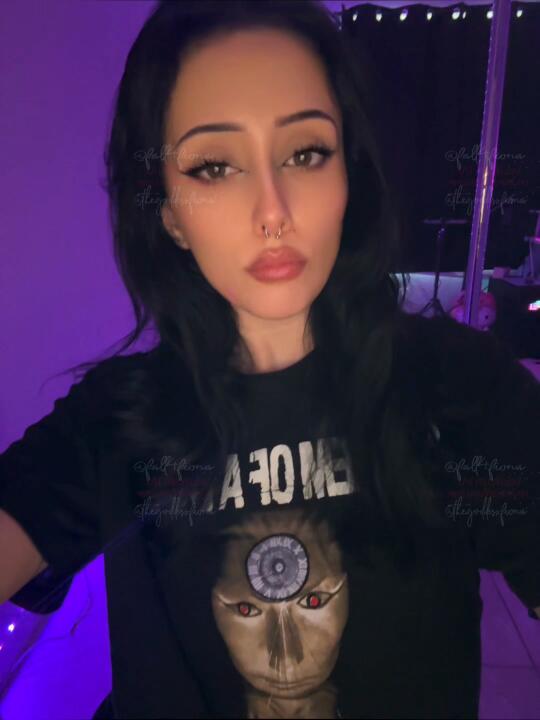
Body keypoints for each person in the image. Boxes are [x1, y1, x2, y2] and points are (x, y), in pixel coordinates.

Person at [1, 2, 539, 719]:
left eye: (305, 153)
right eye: (215, 166)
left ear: (349, 174)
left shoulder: (460, 390)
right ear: (169, 215)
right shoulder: (117, 418)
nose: (273, 210)